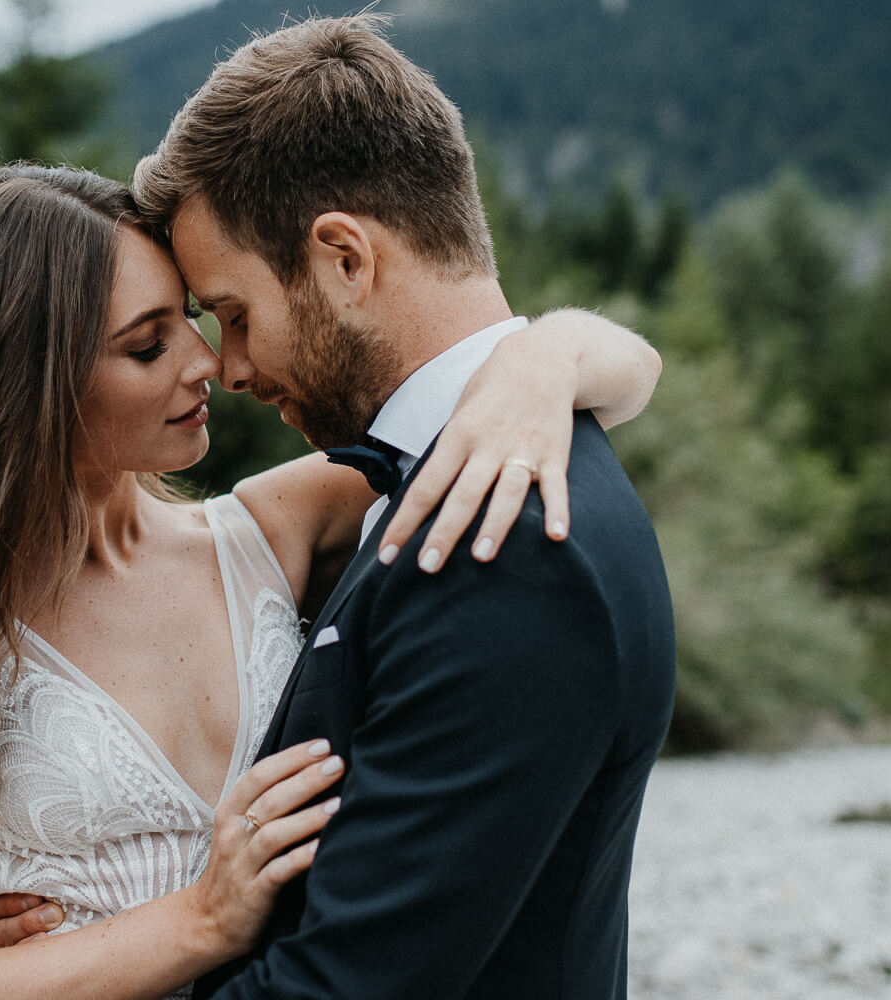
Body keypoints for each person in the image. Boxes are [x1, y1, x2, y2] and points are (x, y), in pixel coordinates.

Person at [0, 161, 661, 1000]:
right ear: (26, 386)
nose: (209, 365)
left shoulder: (272, 530)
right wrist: (195, 922)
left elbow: (619, 368)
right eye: (147, 348)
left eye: (192, 319)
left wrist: (542, 362)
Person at [130, 14, 676, 999]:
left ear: (345, 258)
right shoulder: (447, 477)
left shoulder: (501, 534)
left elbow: (344, 985)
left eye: (238, 315)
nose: (232, 368)